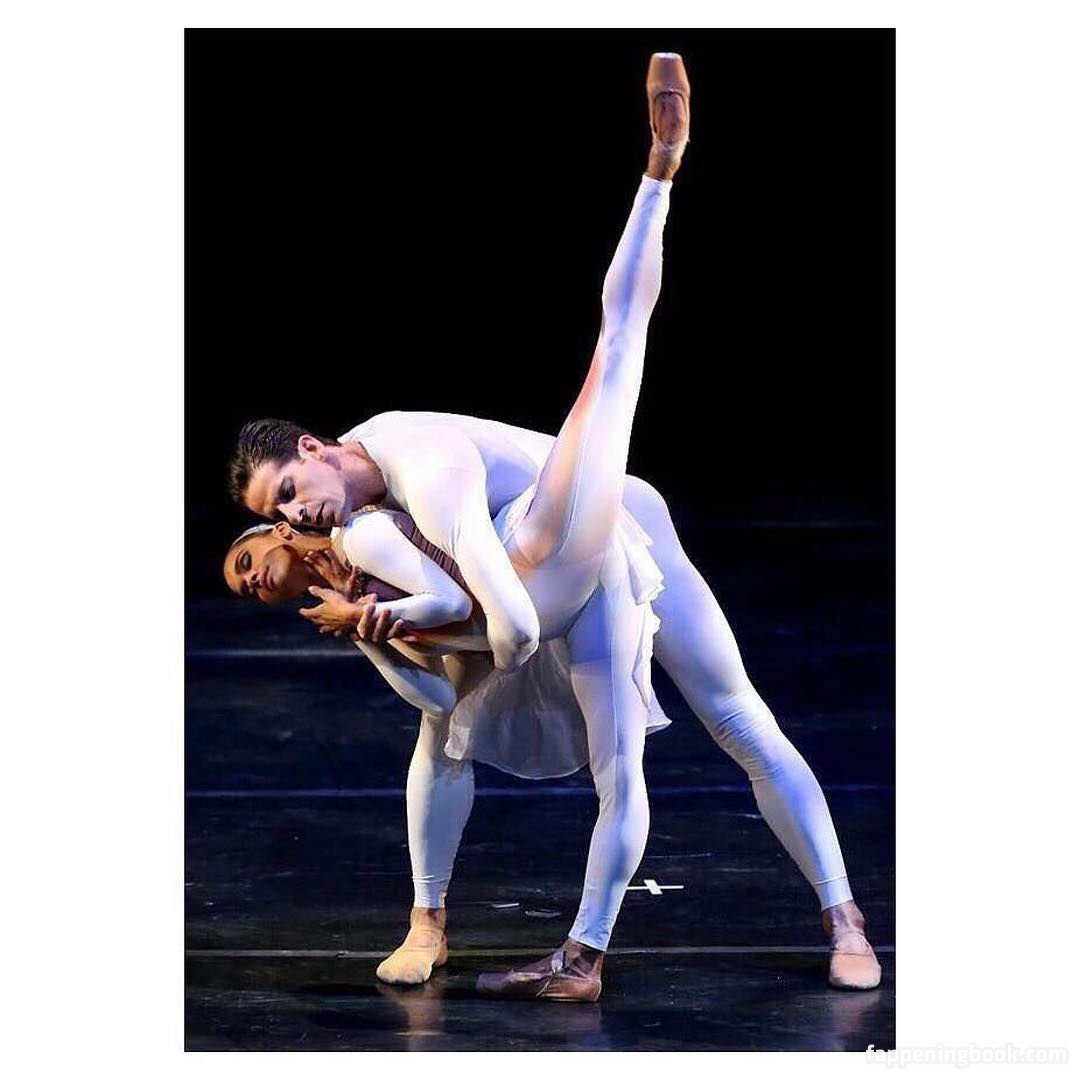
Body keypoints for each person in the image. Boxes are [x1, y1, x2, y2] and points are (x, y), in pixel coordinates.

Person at [225, 53, 880, 995]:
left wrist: (407, 623)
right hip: (540, 575)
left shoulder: (422, 464)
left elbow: (511, 625)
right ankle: (442, 925)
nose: (295, 518)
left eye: (287, 494)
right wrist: (379, 630)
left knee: (734, 711)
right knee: (454, 738)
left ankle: (844, 917)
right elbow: (446, 689)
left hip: (584, 537)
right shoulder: (359, 530)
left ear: (316, 446)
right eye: (275, 518)